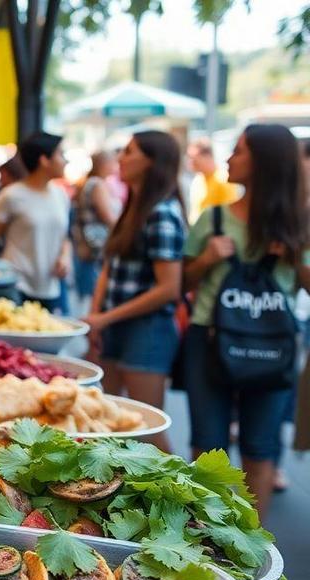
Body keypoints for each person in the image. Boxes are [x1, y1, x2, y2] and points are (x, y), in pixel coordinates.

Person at [183, 124, 310, 519]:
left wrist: (293, 256)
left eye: (238, 151)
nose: (228, 158)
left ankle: (250, 548)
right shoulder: (213, 218)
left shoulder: (299, 224)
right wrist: (206, 260)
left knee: (260, 448)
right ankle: (204, 543)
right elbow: (182, 281)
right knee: (207, 448)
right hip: (208, 340)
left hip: (273, 342)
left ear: (264, 162)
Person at [82, 132, 186, 452]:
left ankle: (183, 497)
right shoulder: (132, 208)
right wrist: (96, 319)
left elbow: (169, 289)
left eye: (130, 152)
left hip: (148, 330)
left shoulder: (162, 212)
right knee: (106, 423)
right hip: (114, 327)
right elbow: (108, 271)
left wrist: (104, 318)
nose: (121, 159)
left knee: (146, 429)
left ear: (152, 162)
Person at [0, 133, 72, 311]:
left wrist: (65, 257)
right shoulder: (10, 196)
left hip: (51, 285)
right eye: (60, 154)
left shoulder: (60, 195)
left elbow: (63, 238)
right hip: (16, 285)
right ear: (44, 160)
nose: (65, 161)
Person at [72, 151, 123, 306]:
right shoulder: (96, 184)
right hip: (96, 246)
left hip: (90, 246)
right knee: (91, 296)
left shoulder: (90, 182)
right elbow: (108, 217)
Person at [187, 138, 241, 224]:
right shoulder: (198, 179)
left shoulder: (223, 180)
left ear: (207, 156)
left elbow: (230, 217)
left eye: (193, 158)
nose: (190, 162)